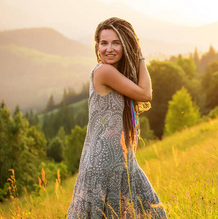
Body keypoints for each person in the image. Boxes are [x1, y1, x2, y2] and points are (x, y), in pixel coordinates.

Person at [67, 17, 167, 218]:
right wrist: (139, 55)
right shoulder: (103, 71)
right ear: (97, 46)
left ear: (124, 45)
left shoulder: (113, 72)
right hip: (104, 162)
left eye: (116, 42)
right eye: (104, 43)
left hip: (118, 159)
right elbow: (146, 93)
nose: (109, 49)